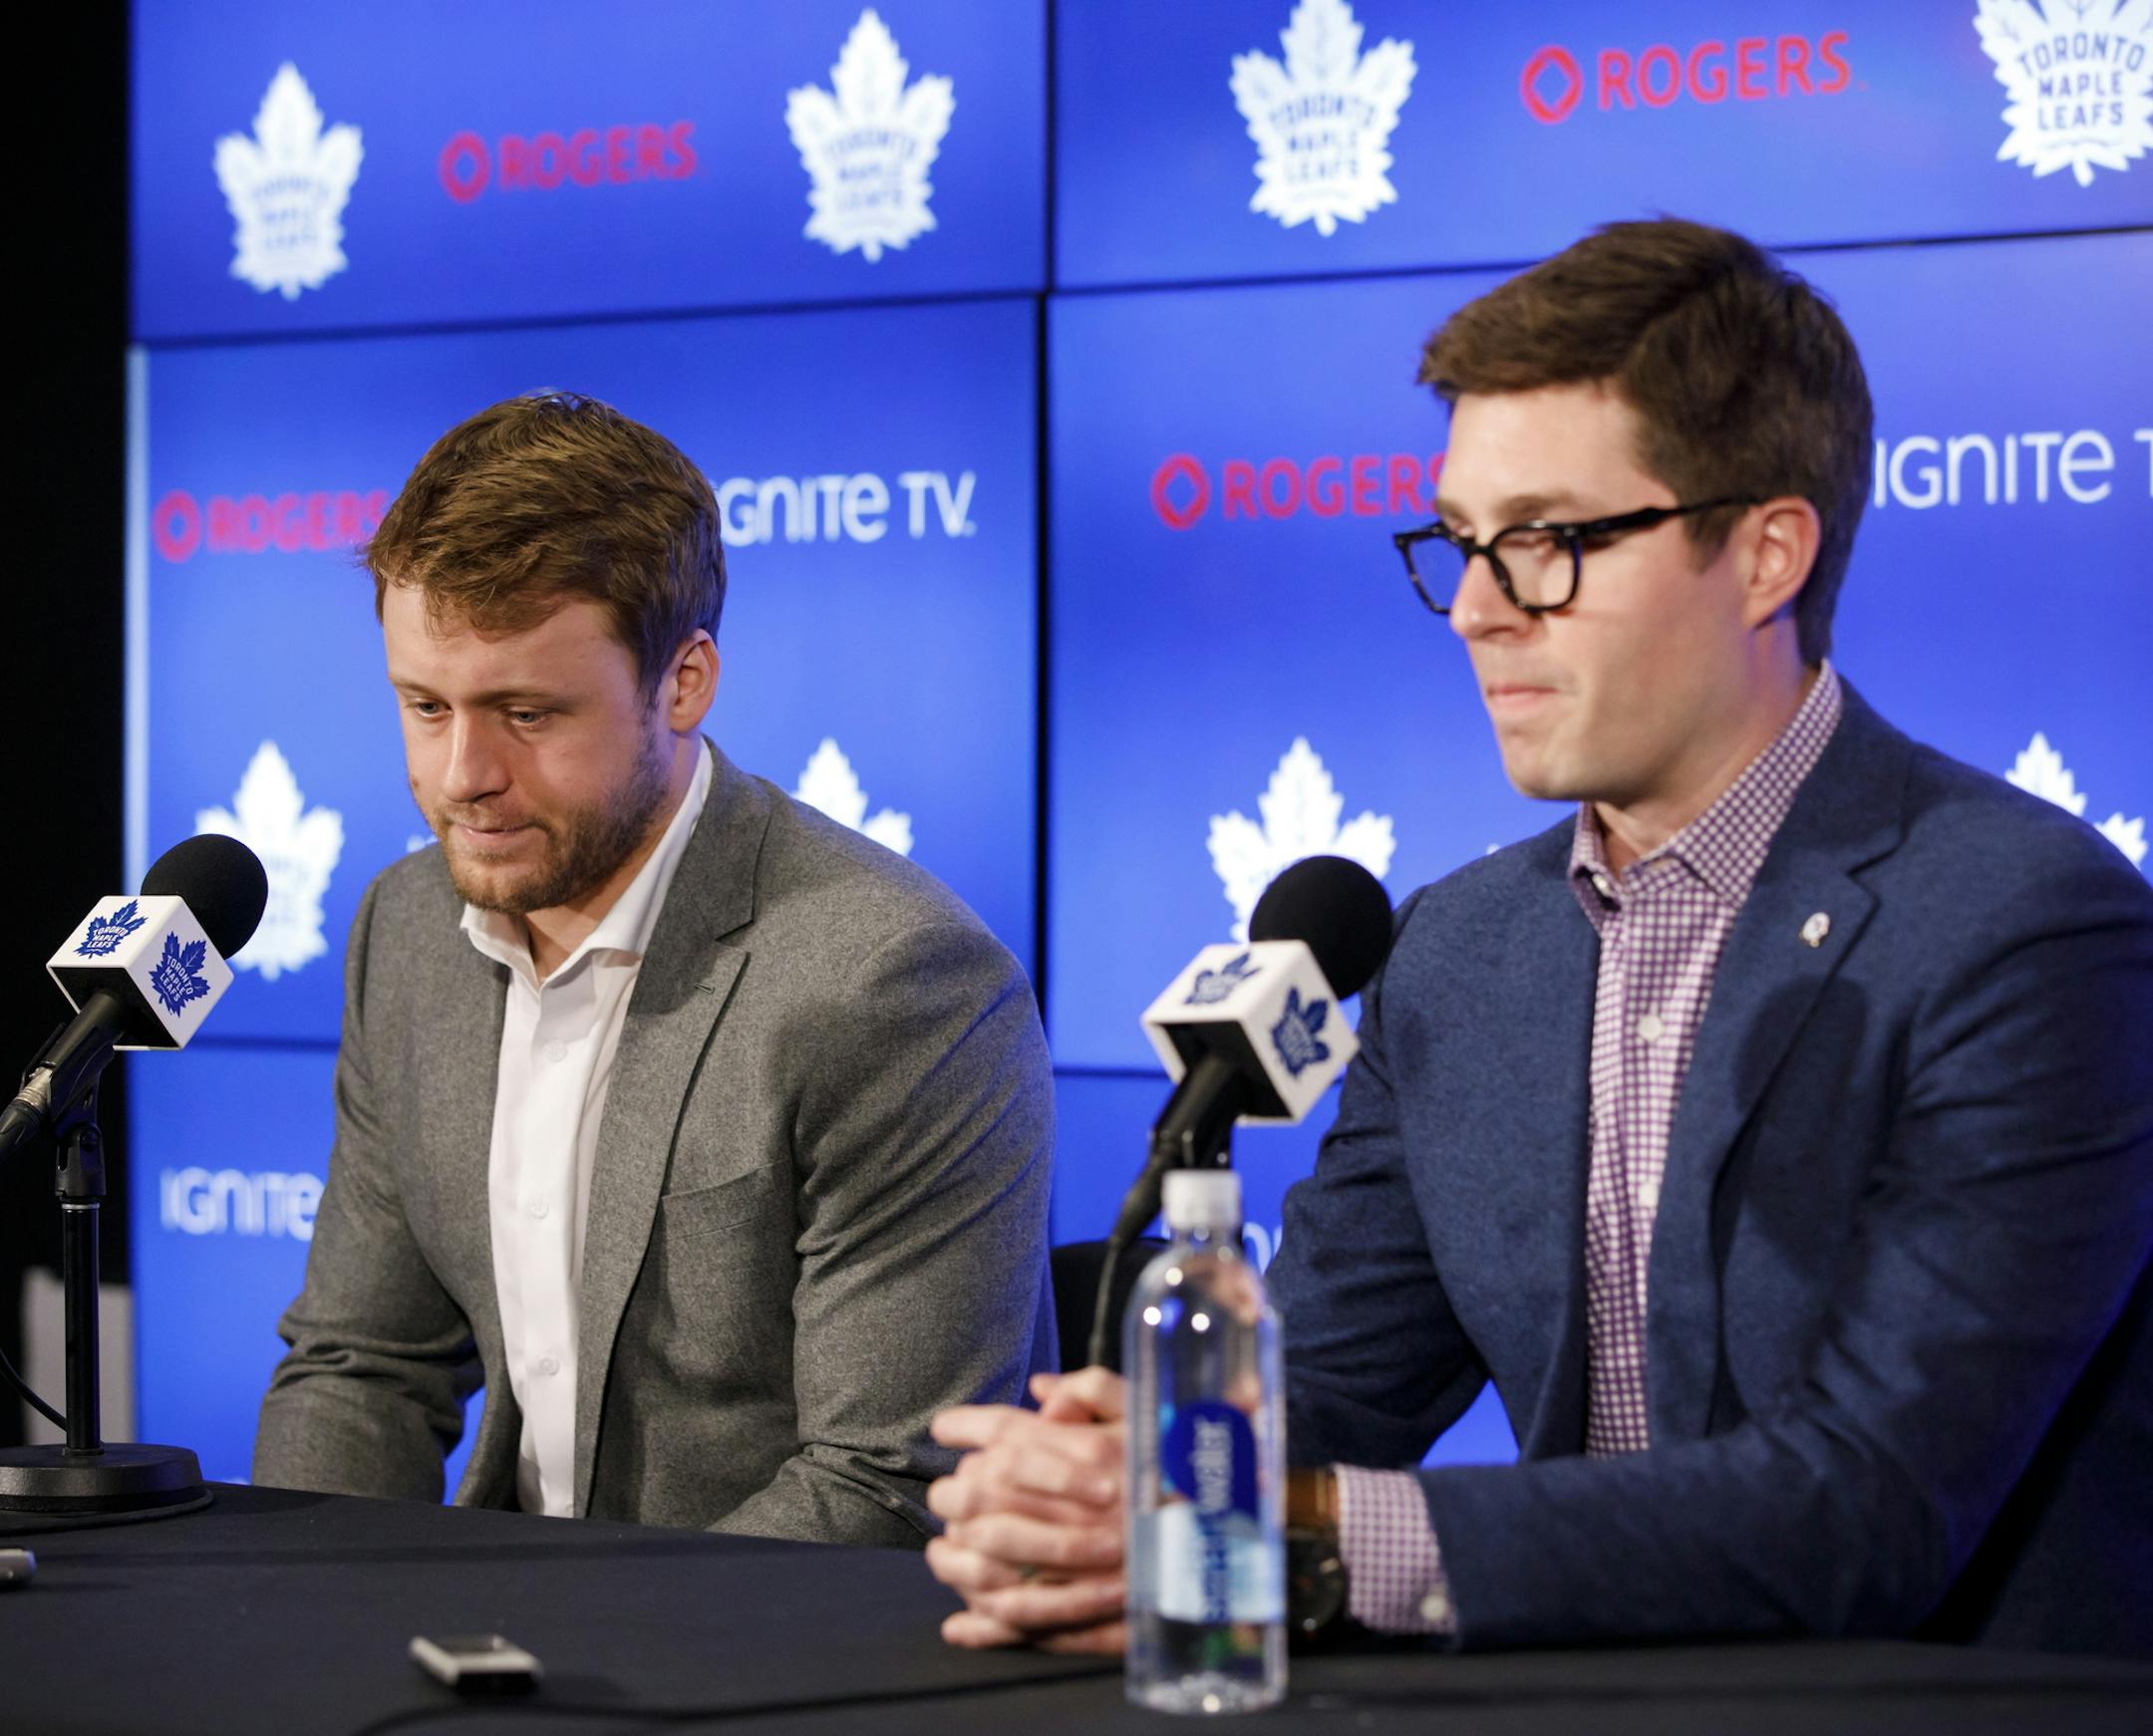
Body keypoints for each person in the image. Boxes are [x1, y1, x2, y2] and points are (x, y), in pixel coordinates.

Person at [924, 219, 2153, 1654]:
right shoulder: (1459, 946)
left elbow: (1867, 1507)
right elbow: (1328, 1380)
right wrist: (1127, 1471)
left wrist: (1288, 1526)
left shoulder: (2027, 930)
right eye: (1459, 547)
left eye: (1549, 544)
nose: (1478, 613)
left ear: (1765, 554)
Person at [254, 392, 1056, 1547]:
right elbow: (360, 1366)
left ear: (683, 682)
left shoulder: (892, 981)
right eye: (425, 706)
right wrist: (298, 1627)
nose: (461, 773)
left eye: (527, 712)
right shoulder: (410, 925)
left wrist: (555, 1659)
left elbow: (887, 1481)